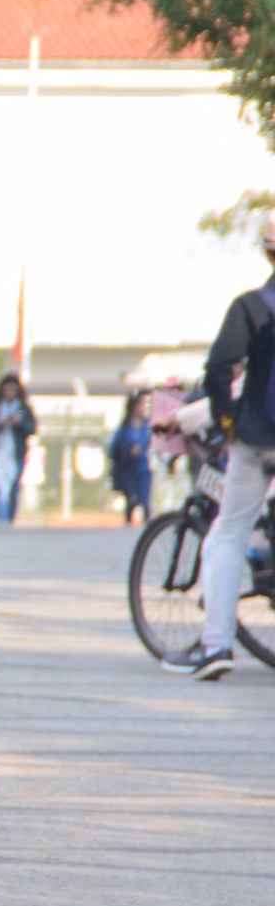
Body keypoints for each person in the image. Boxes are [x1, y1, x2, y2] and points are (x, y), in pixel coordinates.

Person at [162, 214, 275, 679]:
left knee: (228, 535)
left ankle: (215, 646)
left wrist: (228, 420)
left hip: (256, 438)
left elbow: (220, 368)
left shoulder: (251, 307)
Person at [0, 374, 38, 524]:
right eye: (6, 389)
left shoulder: (24, 409)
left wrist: (20, 423)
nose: (9, 392)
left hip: (16, 453)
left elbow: (32, 429)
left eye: (13, 390)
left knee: (14, 485)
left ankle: (9, 518)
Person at [107, 391, 152, 525]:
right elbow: (114, 447)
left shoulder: (147, 426)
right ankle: (128, 524)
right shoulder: (125, 428)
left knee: (145, 500)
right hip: (129, 469)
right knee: (131, 500)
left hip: (144, 467)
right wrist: (128, 450)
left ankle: (146, 525)